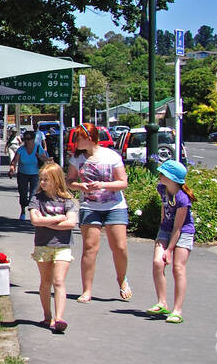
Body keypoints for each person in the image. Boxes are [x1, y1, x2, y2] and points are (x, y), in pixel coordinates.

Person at [66, 122, 132, 303]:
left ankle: (121, 278)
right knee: (90, 248)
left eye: (78, 138)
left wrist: (103, 185)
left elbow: (123, 182)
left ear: (89, 138)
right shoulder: (77, 159)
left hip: (114, 206)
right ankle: (87, 290)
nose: (75, 142)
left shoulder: (111, 156)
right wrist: (80, 186)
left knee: (119, 247)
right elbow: (69, 181)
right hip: (90, 206)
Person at [28, 162, 80, 333]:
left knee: (59, 281)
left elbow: (71, 222)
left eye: (46, 179)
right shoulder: (36, 199)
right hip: (43, 245)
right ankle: (47, 315)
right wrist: (57, 219)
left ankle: (59, 318)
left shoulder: (67, 200)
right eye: (41, 179)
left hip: (62, 245)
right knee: (46, 282)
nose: (42, 182)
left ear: (56, 180)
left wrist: (47, 222)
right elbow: (35, 220)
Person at [149, 160, 194, 324]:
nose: (159, 175)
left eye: (163, 173)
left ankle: (177, 310)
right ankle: (162, 302)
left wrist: (169, 250)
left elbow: (178, 227)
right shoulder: (162, 189)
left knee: (178, 268)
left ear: (172, 178)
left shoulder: (183, 199)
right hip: (166, 229)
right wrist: (162, 227)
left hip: (182, 232)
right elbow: (164, 208)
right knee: (157, 263)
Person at [8, 130, 48, 219]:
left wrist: (39, 156)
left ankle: (32, 214)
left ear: (33, 139)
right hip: (23, 174)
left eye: (29, 139)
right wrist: (12, 169)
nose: (26, 141)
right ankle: (22, 210)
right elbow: (14, 161)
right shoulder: (21, 149)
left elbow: (46, 159)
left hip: (35, 174)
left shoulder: (38, 148)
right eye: (25, 139)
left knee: (33, 194)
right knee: (23, 193)